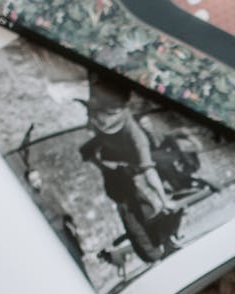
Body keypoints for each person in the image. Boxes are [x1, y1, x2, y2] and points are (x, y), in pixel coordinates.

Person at [78, 78, 184, 263]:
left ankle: (162, 244)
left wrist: (163, 199)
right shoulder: (99, 113)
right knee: (132, 214)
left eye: (110, 114)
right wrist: (104, 166)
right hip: (117, 176)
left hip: (132, 174)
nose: (103, 121)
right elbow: (89, 144)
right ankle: (155, 251)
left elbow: (149, 171)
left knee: (145, 210)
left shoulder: (136, 136)